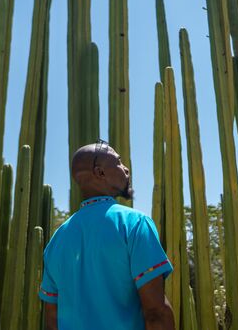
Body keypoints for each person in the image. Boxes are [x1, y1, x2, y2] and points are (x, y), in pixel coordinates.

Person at [38, 140, 176, 330]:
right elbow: (156, 313)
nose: (125, 169)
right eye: (118, 162)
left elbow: (52, 320)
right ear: (100, 172)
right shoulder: (135, 224)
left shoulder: (57, 241)